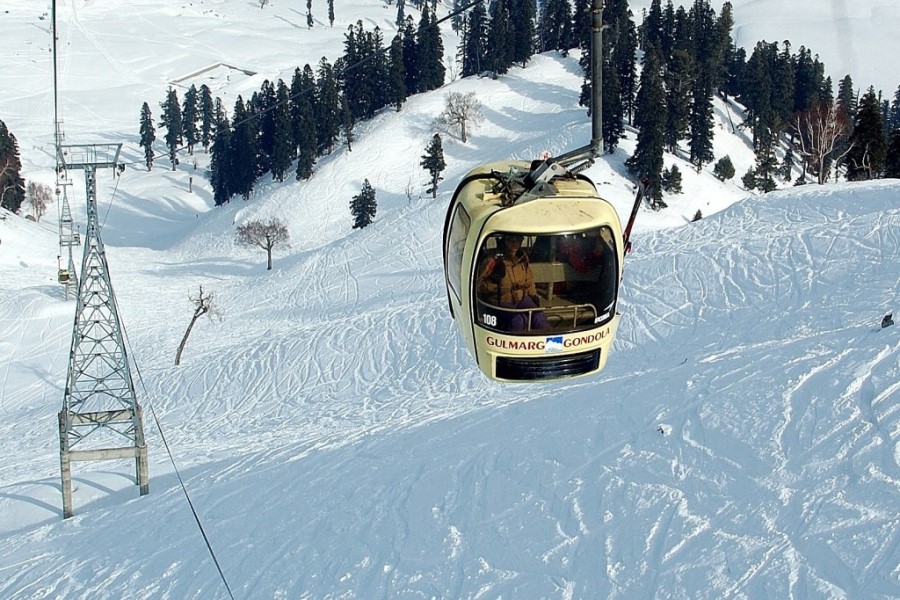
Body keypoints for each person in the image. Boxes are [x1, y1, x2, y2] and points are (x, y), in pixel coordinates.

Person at [477, 234, 551, 331]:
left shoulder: (522, 259)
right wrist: (494, 281)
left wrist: (533, 296)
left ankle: (547, 337)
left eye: (518, 240)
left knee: (538, 315)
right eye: (510, 240)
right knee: (519, 320)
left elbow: (529, 281)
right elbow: (479, 286)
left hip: (521, 298)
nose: (514, 244)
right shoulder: (494, 261)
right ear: (504, 241)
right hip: (501, 301)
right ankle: (515, 339)